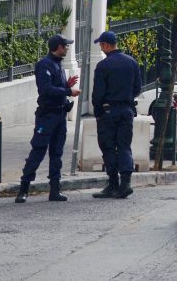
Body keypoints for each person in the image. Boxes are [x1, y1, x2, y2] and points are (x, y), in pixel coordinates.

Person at [14, 35, 80, 204]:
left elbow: (56, 87)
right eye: (65, 46)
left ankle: (55, 190)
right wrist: (67, 92)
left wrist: (67, 86)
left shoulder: (58, 64)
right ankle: (24, 189)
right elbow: (46, 89)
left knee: (57, 153)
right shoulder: (44, 64)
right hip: (47, 116)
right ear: (58, 46)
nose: (67, 48)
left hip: (59, 115)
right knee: (38, 150)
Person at [90, 31, 142, 199]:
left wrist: (98, 112)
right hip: (126, 110)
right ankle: (125, 183)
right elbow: (137, 88)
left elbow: (98, 94)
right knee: (125, 146)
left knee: (108, 147)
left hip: (108, 111)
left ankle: (113, 183)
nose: (101, 48)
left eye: (101, 45)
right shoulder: (132, 62)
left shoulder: (104, 66)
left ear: (106, 45)